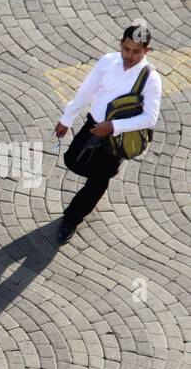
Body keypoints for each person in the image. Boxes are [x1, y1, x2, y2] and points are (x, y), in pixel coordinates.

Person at [52, 25, 162, 244]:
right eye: (126, 49)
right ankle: (96, 185)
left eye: (136, 51)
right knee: (73, 159)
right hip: (93, 126)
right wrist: (67, 119)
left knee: (98, 180)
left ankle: (72, 218)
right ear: (120, 43)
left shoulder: (151, 79)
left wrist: (113, 126)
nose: (129, 56)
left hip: (119, 137)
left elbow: (149, 119)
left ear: (146, 51)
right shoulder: (107, 61)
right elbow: (86, 91)